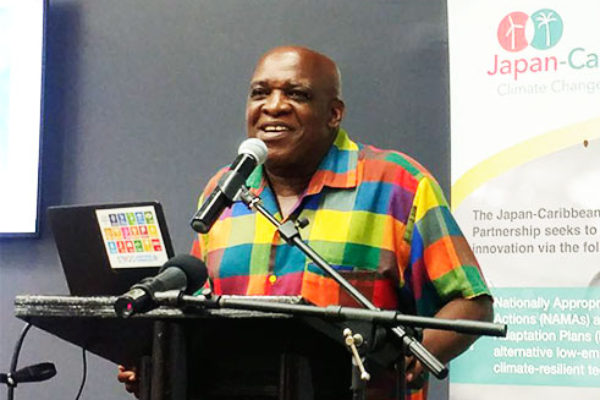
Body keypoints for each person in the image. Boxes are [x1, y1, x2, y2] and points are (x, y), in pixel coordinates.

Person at [119, 45, 493, 399]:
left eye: (296, 94)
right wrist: (155, 362)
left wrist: (414, 355)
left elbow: (471, 303)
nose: (273, 106)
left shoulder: (398, 185)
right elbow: (200, 312)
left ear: (333, 114)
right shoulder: (225, 190)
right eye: (260, 93)